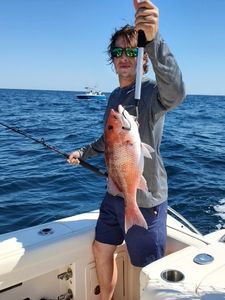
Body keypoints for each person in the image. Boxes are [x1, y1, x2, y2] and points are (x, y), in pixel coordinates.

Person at [68, 1, 185, 299]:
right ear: (112, 58)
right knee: (100, 249)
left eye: (131, 52)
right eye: (118, 52)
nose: (124, 57)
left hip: (144, 199)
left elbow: (175, 92)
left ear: (142, 58)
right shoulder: (115, 96)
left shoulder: (149, 94)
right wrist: (83, 152)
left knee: (148, 269)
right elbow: (109, 141)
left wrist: (154, 38)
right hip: (114, 193)